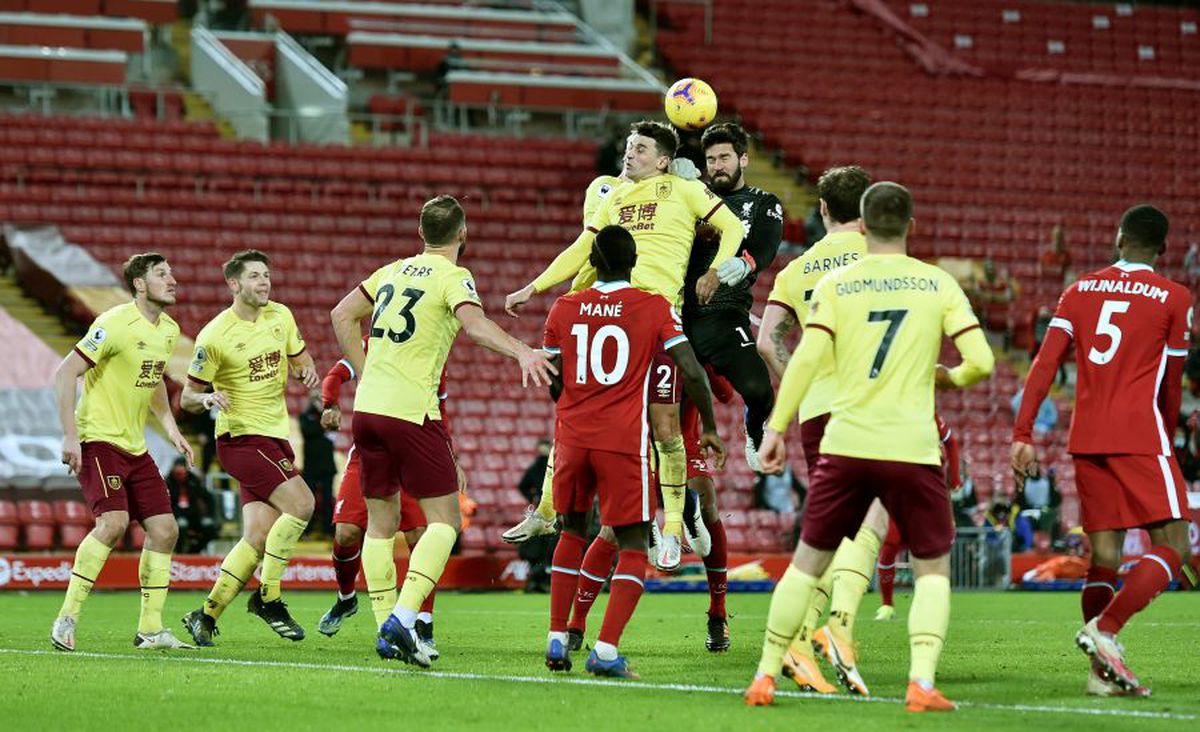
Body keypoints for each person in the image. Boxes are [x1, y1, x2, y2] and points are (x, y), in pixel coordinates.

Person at [744, 182, 994, 712]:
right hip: (909, 440)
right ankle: (915, 679)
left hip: (841, 433)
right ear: (910, 224)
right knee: (929, 566)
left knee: (809, 559)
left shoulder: (832, 281)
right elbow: (983, 363)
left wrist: (774, 428)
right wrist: (946, 378)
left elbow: (800, 356)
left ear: (858, 218)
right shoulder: (936, 282)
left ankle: (766, 673)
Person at [504, 119, 745, 569]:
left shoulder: (684, 190)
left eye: (639, 148)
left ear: (662, 160)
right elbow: (581, 249)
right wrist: (533, 289)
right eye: (628, 146)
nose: (629, 153)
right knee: (576, 411)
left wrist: (716, 269)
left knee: (665, 428)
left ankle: (672, 528)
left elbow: (732, 228)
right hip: (616, 314)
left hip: (657, 316)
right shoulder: (613, 196)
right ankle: (546, 510)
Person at [330, 194, 555, 667]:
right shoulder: (454, 277)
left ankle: (386, 623)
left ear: (420, 235)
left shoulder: (390, 271)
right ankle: (402, 619)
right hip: (413, 411)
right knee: (446, 523)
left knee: (381, 523)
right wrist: (522, 351)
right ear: (462, 234)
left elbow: (340, 315)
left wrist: (366, 370)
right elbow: (474, 325)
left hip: (367, 410)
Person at [1011, 204, 1194, 697]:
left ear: (1118, 238)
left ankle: (1099, 675)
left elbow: (1044, 364)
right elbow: (1171, 383)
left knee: (1105, 557)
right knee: (1175, 546)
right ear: (1163, 248)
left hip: (1087, 437)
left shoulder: (1078, 291)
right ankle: (1106, 632)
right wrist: (1172, 437)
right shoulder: (1175, 297)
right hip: (1140, 434)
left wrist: (1023, 432)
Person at [540, 225, 725, 678]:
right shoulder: (652, 306)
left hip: (571, 437)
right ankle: (605, 651)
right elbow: (693, 372)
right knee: (634, 543)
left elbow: (550, 370)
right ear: (634, 260)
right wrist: (712, 428)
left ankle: (557, 638)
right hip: (622, 442)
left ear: (594, 263)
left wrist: (571, 407)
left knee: (571, 531)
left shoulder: (564, 306)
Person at [755, 165, 877, 695]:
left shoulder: (797, 269)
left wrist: (801, 383)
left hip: (819, 408)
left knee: (832, 526)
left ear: (822, 210)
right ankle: (826, 630)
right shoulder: (885, 257)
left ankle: (803, 642)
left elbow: (767, 341)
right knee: (868, 520)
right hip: (874, 404)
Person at [50, 252, 194, 652]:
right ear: (139, 284)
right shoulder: (113, 323)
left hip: (135, 446)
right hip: (98, 439)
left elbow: (155, 382)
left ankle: (150, 629)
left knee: (166, 530)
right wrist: (69, 435)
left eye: (171, 273)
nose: (173, 280)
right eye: (161, 274)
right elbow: (65, 372)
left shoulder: (167, 330)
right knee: (113, 523)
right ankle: (67, 618)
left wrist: (170, 427)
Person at [180, 249, 320, 645]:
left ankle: (204, 615)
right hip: (241, 439)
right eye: (255, 276)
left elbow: (299, 355)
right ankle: (269, 598)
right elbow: (187, 397)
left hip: (275, 436)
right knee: (303, 505)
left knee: (257, 537)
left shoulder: (281, 316)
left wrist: (305, 368)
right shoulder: (214, 335)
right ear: (234, 284)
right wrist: (206, 400)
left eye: (267, 276)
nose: (264, 282)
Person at [314, 341, 462, 662]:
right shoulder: (371, 344)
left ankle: (422, 623)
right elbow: (334, 376)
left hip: (413, 448)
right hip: (372, 449)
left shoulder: (434, 354)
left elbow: (441, 412)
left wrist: (452, 457)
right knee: (346, 533)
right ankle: (347, 597)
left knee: (421, 536)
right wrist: (331, 403)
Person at [683, 122, 784, 471]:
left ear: (743, 159)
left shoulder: (762, 202)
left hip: (723, 314)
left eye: (724, 157)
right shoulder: (691, 195)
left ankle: (754, 429)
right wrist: (667, 184)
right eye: (710, 159)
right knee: (671, 425)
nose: (717, 165)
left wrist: (746, 264)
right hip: (676, 314)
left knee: (759, 390)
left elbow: (766, 243)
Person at [876, 415, 961, 620]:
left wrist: (955, 478)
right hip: (898, 489)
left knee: (931, 549)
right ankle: (887, 604)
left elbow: (951, 442)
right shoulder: (889, 412)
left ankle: (931, 602)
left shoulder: (928, 411)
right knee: (890, 543)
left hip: (927, 489)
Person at [299, 390, 336, 536]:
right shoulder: (305, 416)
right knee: (309, 501)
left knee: (328, 500)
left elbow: (333, 429)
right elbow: (308, 431)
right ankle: (307, 530)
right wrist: (323, 428)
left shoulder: (329, 417)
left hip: (327, 466)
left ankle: (328, 530)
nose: (317, 402)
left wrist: (323, 413)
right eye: (315, 399)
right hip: (311, 466)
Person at [165, 456, 218, 554]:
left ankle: (193, 552)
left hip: (194, 516)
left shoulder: (193, 480)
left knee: (210, 528)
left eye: (182, 466)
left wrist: (209, 515)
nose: (180, 470)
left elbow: (208, 498)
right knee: (181, 525)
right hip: (176, 517)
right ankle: (180, 554)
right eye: (178, 466)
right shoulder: (167, 482)